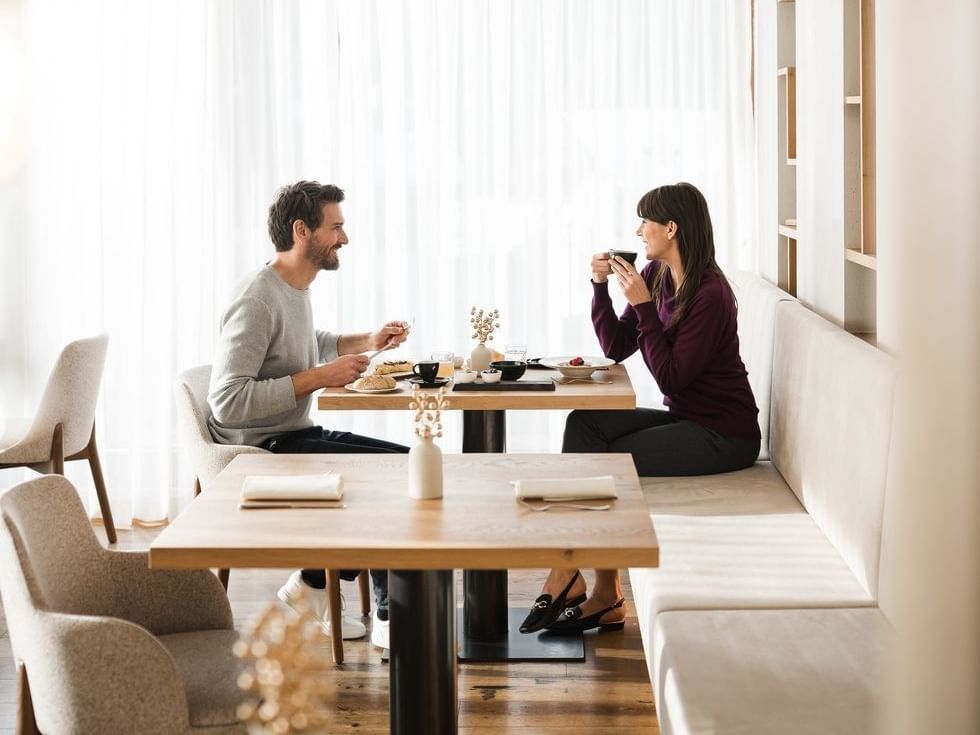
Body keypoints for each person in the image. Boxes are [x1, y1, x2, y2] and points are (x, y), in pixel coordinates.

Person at [521, 182, 761, 636]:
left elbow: (670, 377)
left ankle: (569, 572)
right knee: (585, 423)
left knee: (605, 460)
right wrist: (600, 289)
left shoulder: (711, 294)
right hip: (688, 419)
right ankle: (598, 587)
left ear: (671, 228)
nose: (638, 231)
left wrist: (644, 308)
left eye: (645, 221)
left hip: (725, 435)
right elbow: (615, 347)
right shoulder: (655, 276)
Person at [208, 180, 409, 649]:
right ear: (303, 230)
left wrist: (368, 342)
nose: (345, 238)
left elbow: (305, 342)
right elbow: (227, 400)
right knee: (387, 479)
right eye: (336, 227)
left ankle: (314, 583)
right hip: (259, 449)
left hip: (291, 432)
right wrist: (321, 376)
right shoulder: (256, 299)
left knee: (404, 464)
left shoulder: (292, 287)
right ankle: (388, 613)